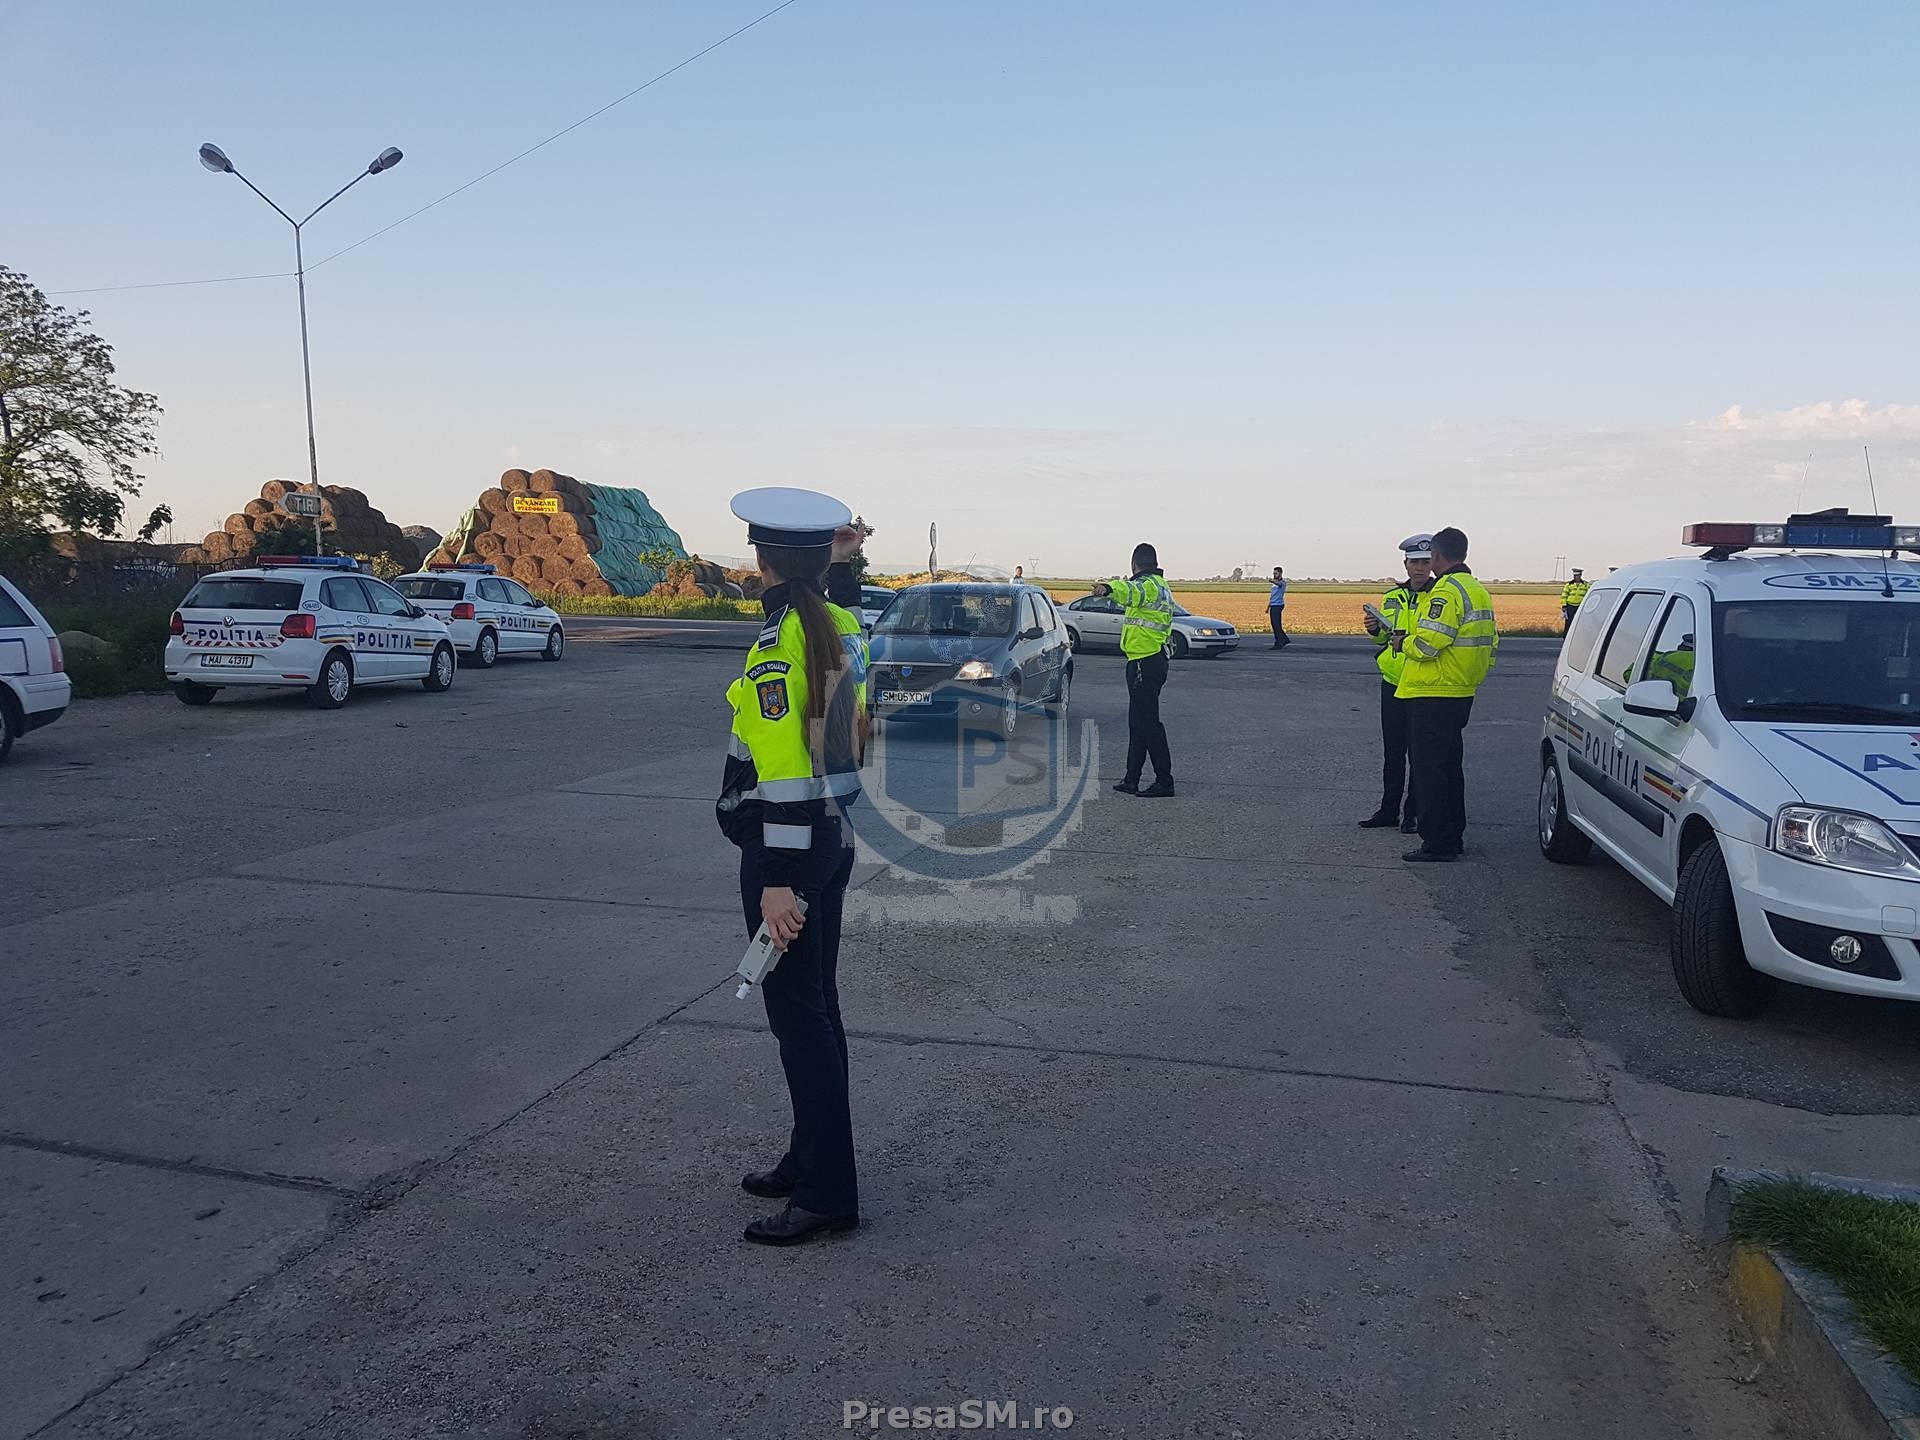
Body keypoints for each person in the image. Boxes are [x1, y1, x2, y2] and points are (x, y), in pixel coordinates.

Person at [717, 486, 869, 1246]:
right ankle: (810, 1157)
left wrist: (778, 880)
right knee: (817, 1008)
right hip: (833, 838)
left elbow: (781, 776)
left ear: (762, 562)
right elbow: (843, 607)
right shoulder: (837, 626)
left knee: (799, 1021)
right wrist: (838, 562)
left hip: (789, 854)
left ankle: (826, 1192)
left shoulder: (781, 648)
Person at [1395, 527, 1498, 862]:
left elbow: (1427, 645)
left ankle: (1437, 842)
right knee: (1450, 768)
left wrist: (1403, 642)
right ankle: (1452, 836)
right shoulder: (1477, 590)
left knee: (1430, 772)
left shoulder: (1446, 592)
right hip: (1461, 690)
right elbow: (1491, 643)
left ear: (1437, 556)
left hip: (1433, 691)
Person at [1358, 534, 1434, 832]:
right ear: (1405, 565)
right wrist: (1373, 629)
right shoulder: (1392, 597)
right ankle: (1388, 810)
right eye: (1414, 562)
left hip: (1421, 683)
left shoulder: (1439, 595)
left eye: (1425, 562)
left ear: (1432, 564)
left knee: (1419, 753)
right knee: (1393, 752)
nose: (1419, 568)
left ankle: (1413, 813)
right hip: (1392, 680)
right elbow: (1384, 638)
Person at [1095, 543, 1176, 797]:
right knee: (1137, 722)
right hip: (1147, 659)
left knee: (1148, 723)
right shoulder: (1161, 586)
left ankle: (1165, 781)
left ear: (1134, 565)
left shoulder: (1148, 586)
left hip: (1145, 660)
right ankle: (1132, 778)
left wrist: (1108, 588)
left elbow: (1130, 591)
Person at [1560, 568, 1589, 633]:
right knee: (1568, 622)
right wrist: (1564, 606)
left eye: (1577, 575)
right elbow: (1564, 595)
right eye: (1574, 575)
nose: (1575, 577)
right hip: (1570, 606)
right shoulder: (1569, 585)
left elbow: (1588, 595)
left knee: (1580, 622)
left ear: (1580, 575)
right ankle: (1566, 636)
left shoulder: (1585, 585)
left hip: (1580, 606)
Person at [1268, 566, 1290, 649]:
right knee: (1275, 625)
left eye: (1276, 573)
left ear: (1280, 573)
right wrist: (1268, 606)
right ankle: (1284, 639)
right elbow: (1272, 596)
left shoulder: (1282, 583)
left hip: (1278, 605)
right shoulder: (1274, 585)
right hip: (1273, 605)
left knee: (1276, 625)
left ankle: (1279, 642)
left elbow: (1279, 584)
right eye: (1273, 573)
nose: (1274, 575)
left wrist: (1272, 581)